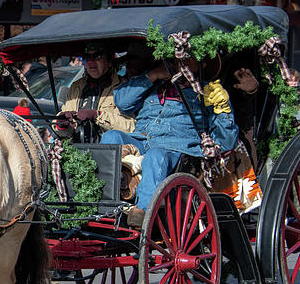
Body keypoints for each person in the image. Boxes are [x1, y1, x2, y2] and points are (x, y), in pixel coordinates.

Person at [101, 61, 239, 227]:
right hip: (142, 139)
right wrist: (152, 75)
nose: (182, 62)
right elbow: (123, 103)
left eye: (189, 58)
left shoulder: (209, 91)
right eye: (178, 58)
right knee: (111, 137)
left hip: (176, 148)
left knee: (156, 155)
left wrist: (223, 109)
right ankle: (104, 203)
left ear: (202, 64)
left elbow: (226, 142)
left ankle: (142, 211)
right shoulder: (154, 83)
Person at [58, 42, 134, 142]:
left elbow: (130, 127)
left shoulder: (124, 87)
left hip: (109, 152)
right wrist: (61, 124)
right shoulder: (76, 87)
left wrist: (97, 115)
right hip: (78, 151)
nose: (91, 62)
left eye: (97, 57)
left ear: (109, 61)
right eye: (87, 57)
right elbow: (66, 133)